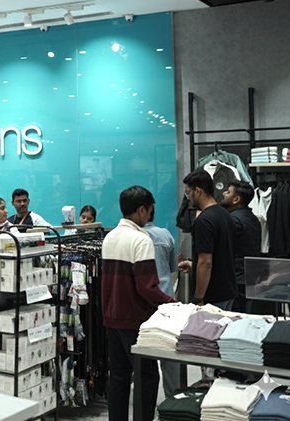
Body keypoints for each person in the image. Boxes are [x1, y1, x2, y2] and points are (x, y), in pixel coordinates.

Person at [101, 186, 174, 421]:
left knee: (119, 377)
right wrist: (172, 304)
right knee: (147, 378)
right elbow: (147, 288)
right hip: (136, 322)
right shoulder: (141, 240)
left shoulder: (109, 237)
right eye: (149, 210)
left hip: (111, 318)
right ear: (142, 210)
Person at [178, 168, 238, 310]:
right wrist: (194, 265)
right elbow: (221, 255)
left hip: (212, 296)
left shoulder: (203, 221)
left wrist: (198, 298)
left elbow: (205, 262)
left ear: (197, 191)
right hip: (228, 291)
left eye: (188, 192)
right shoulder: (225, 215)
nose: (188, 197)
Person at [144, 205, 180, 398]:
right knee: (170, 352)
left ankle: (145, 400)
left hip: (142, 301)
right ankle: (173, 399)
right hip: (166, 297)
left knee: (144, 351)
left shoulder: (134, 237)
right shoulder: (165, 235)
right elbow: (172, 267)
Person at [221, 180, 261, 312]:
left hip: (236, 278)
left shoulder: (232, 220)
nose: (223, 193)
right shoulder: (253, 218)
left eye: (228, 192)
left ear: (236, 199)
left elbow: (223, 251)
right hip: (250, 277)